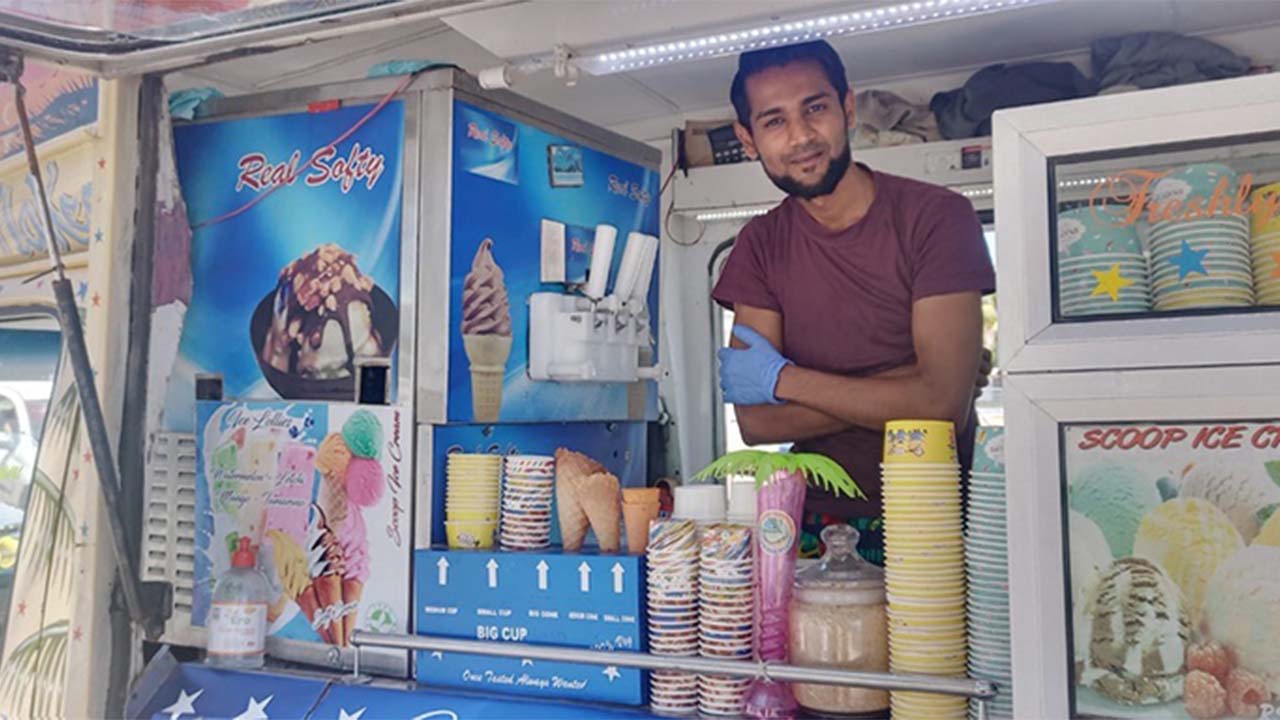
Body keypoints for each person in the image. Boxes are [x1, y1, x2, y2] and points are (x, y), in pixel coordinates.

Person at [712, 41, 995, 564]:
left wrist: (784, 380)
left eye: (815, 108)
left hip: (935, 510)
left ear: (847, 107)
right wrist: (906, 386)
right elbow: (757, 423)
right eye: (774, 121)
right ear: (748, 139)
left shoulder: (938, 218)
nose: (801, 136)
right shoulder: (759, 244)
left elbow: (941, 407)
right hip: (811, 519)